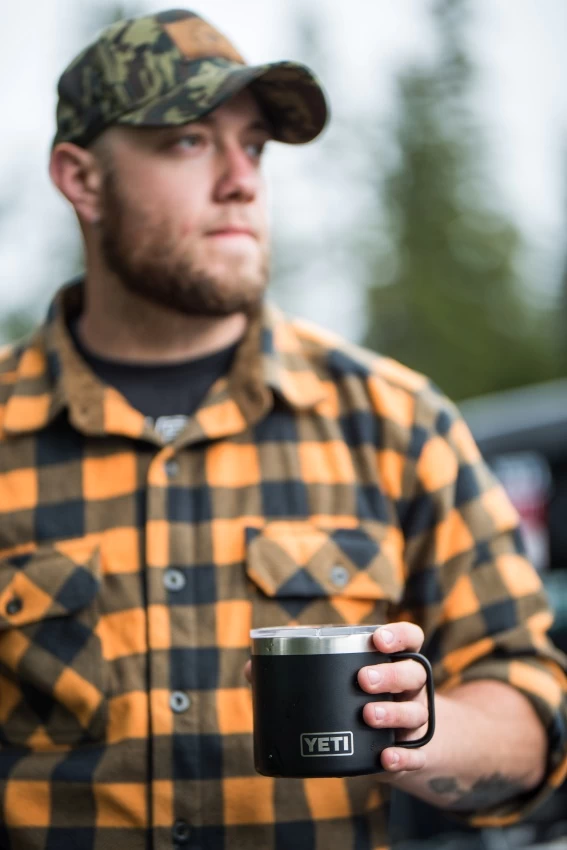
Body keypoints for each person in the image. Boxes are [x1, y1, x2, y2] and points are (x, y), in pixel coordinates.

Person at [0, 9, 565, 850]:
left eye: (255, 146)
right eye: (189, 141)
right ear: (81, 180)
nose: (241, 180)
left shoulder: (397, 422)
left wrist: (419, 729)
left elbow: (531, 700)